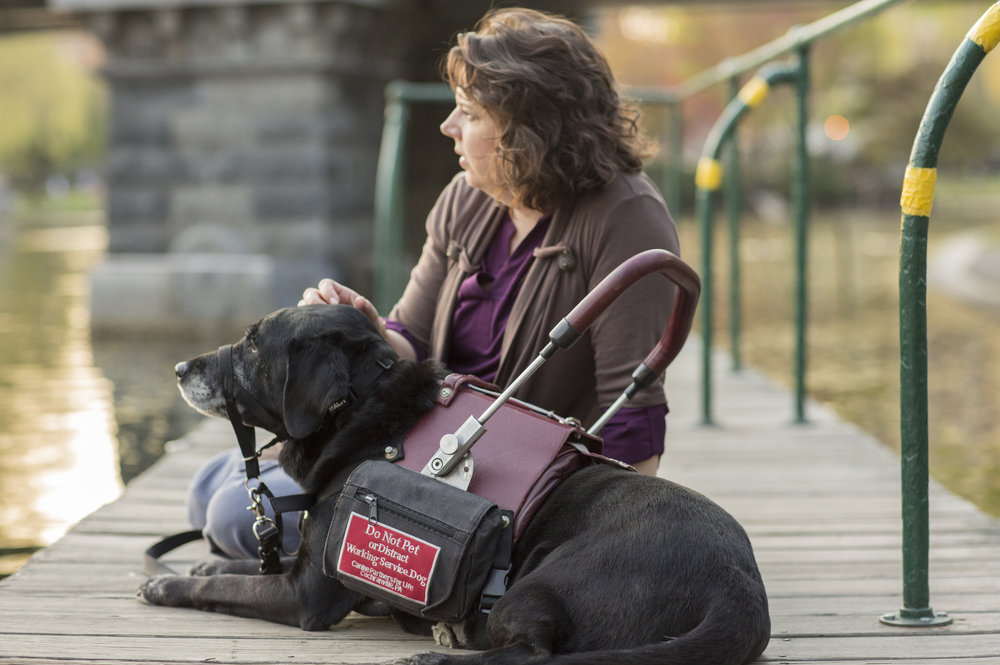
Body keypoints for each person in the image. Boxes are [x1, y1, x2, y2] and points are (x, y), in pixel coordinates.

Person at [187, 6, 680, 560]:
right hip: (420, 445)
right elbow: (409, 342)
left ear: (531, 131)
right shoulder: (466, 197)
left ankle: (396, 570)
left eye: (467, 113)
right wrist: (367, 327)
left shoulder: (627, 219)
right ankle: (370, 562)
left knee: (233, 513)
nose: (447, 127)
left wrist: (616, 547)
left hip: (508, 484)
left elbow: (632, 412)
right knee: (209, 484)